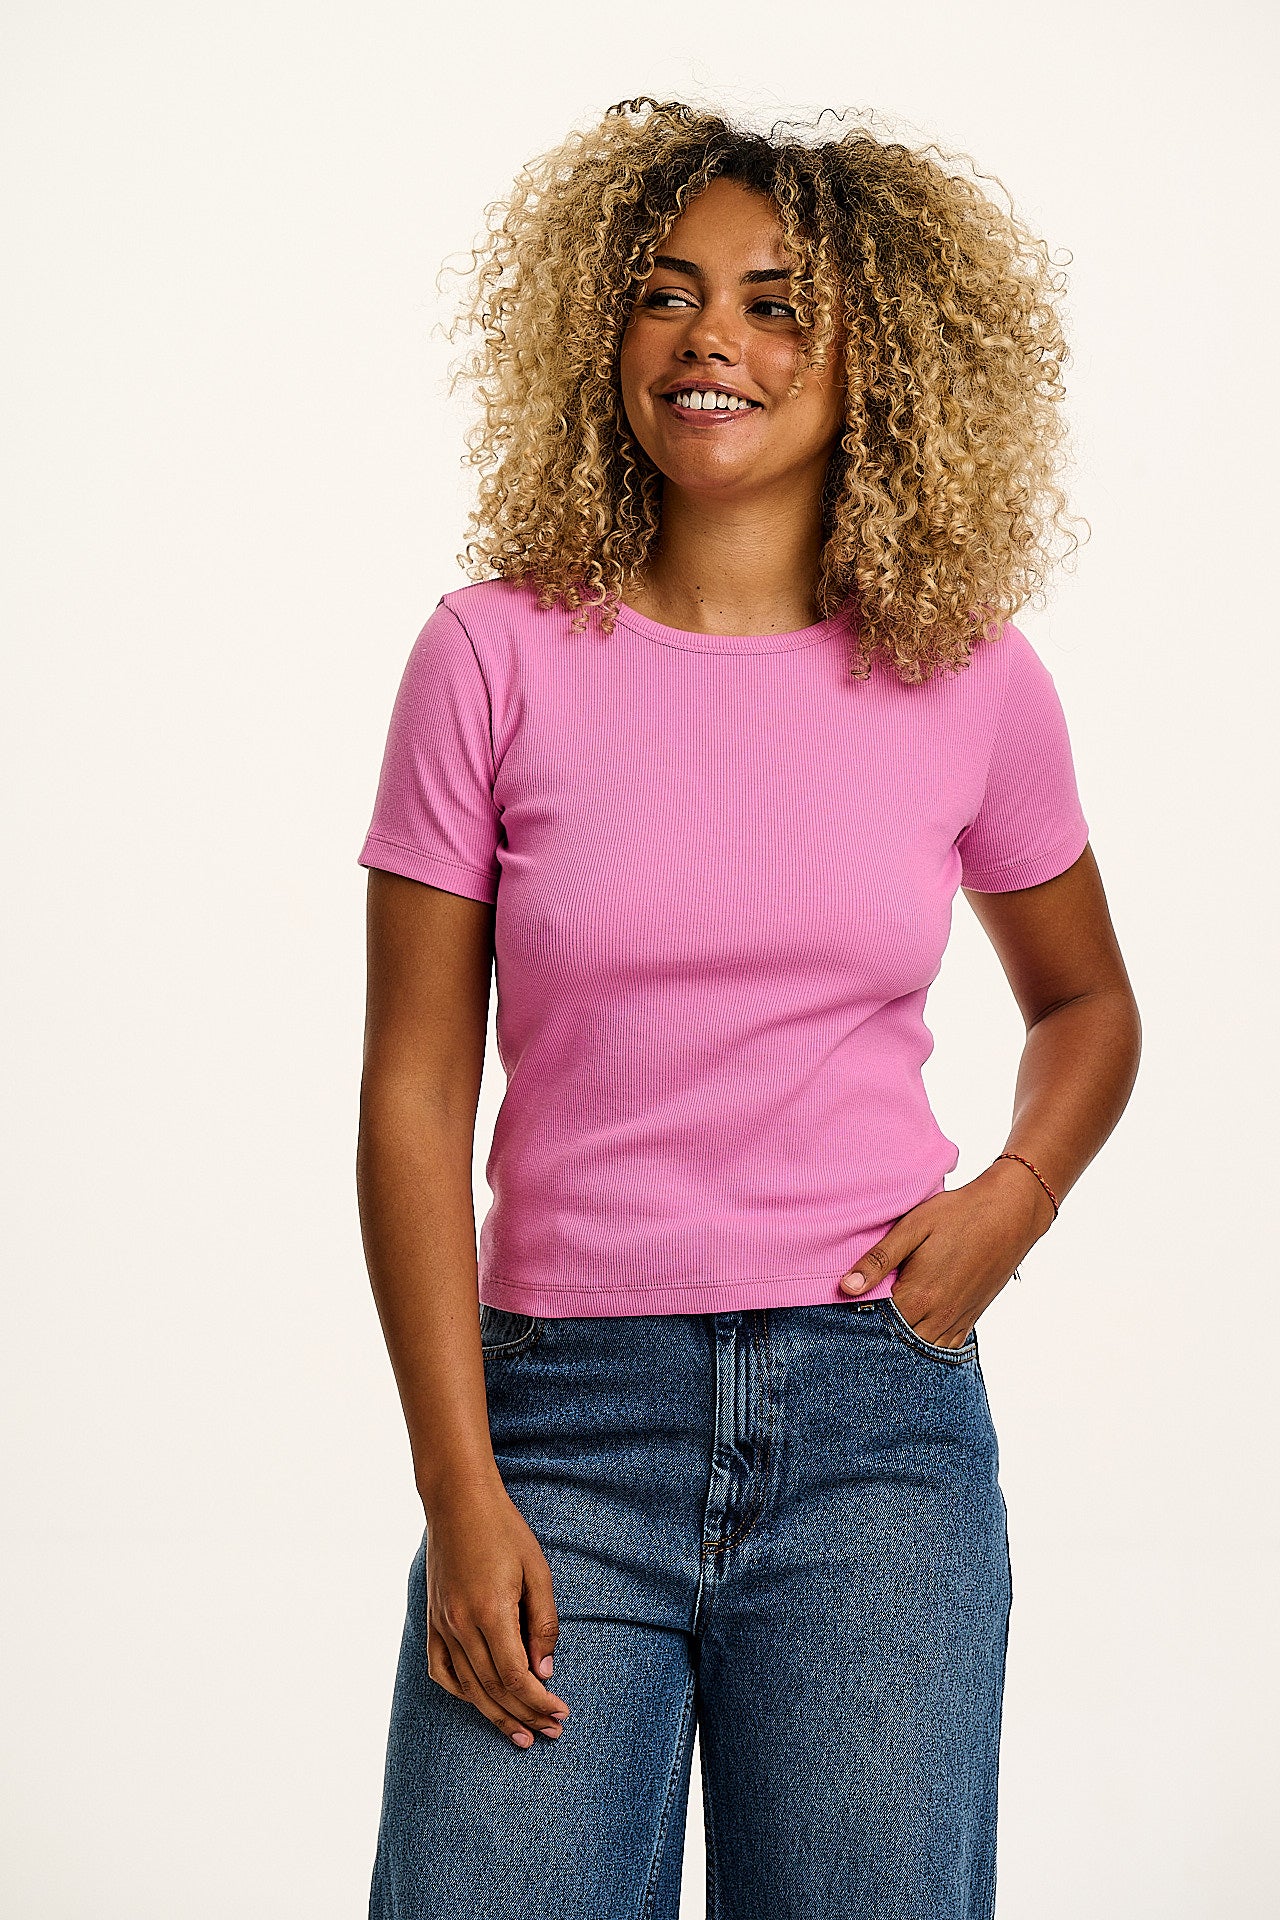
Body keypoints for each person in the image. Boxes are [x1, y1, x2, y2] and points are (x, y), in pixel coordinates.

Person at [354, 96, 1141, 1920]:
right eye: (667, 293)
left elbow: (1089, 1001)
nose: (712, 338)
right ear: (602, 334)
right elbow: (411, 1095)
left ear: (882, 362)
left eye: (779, 305)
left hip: (875, 1427)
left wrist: (1013, 1200)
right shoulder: (490, 656)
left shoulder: (970, 679)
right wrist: (459, 1487)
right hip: (561, 1429)